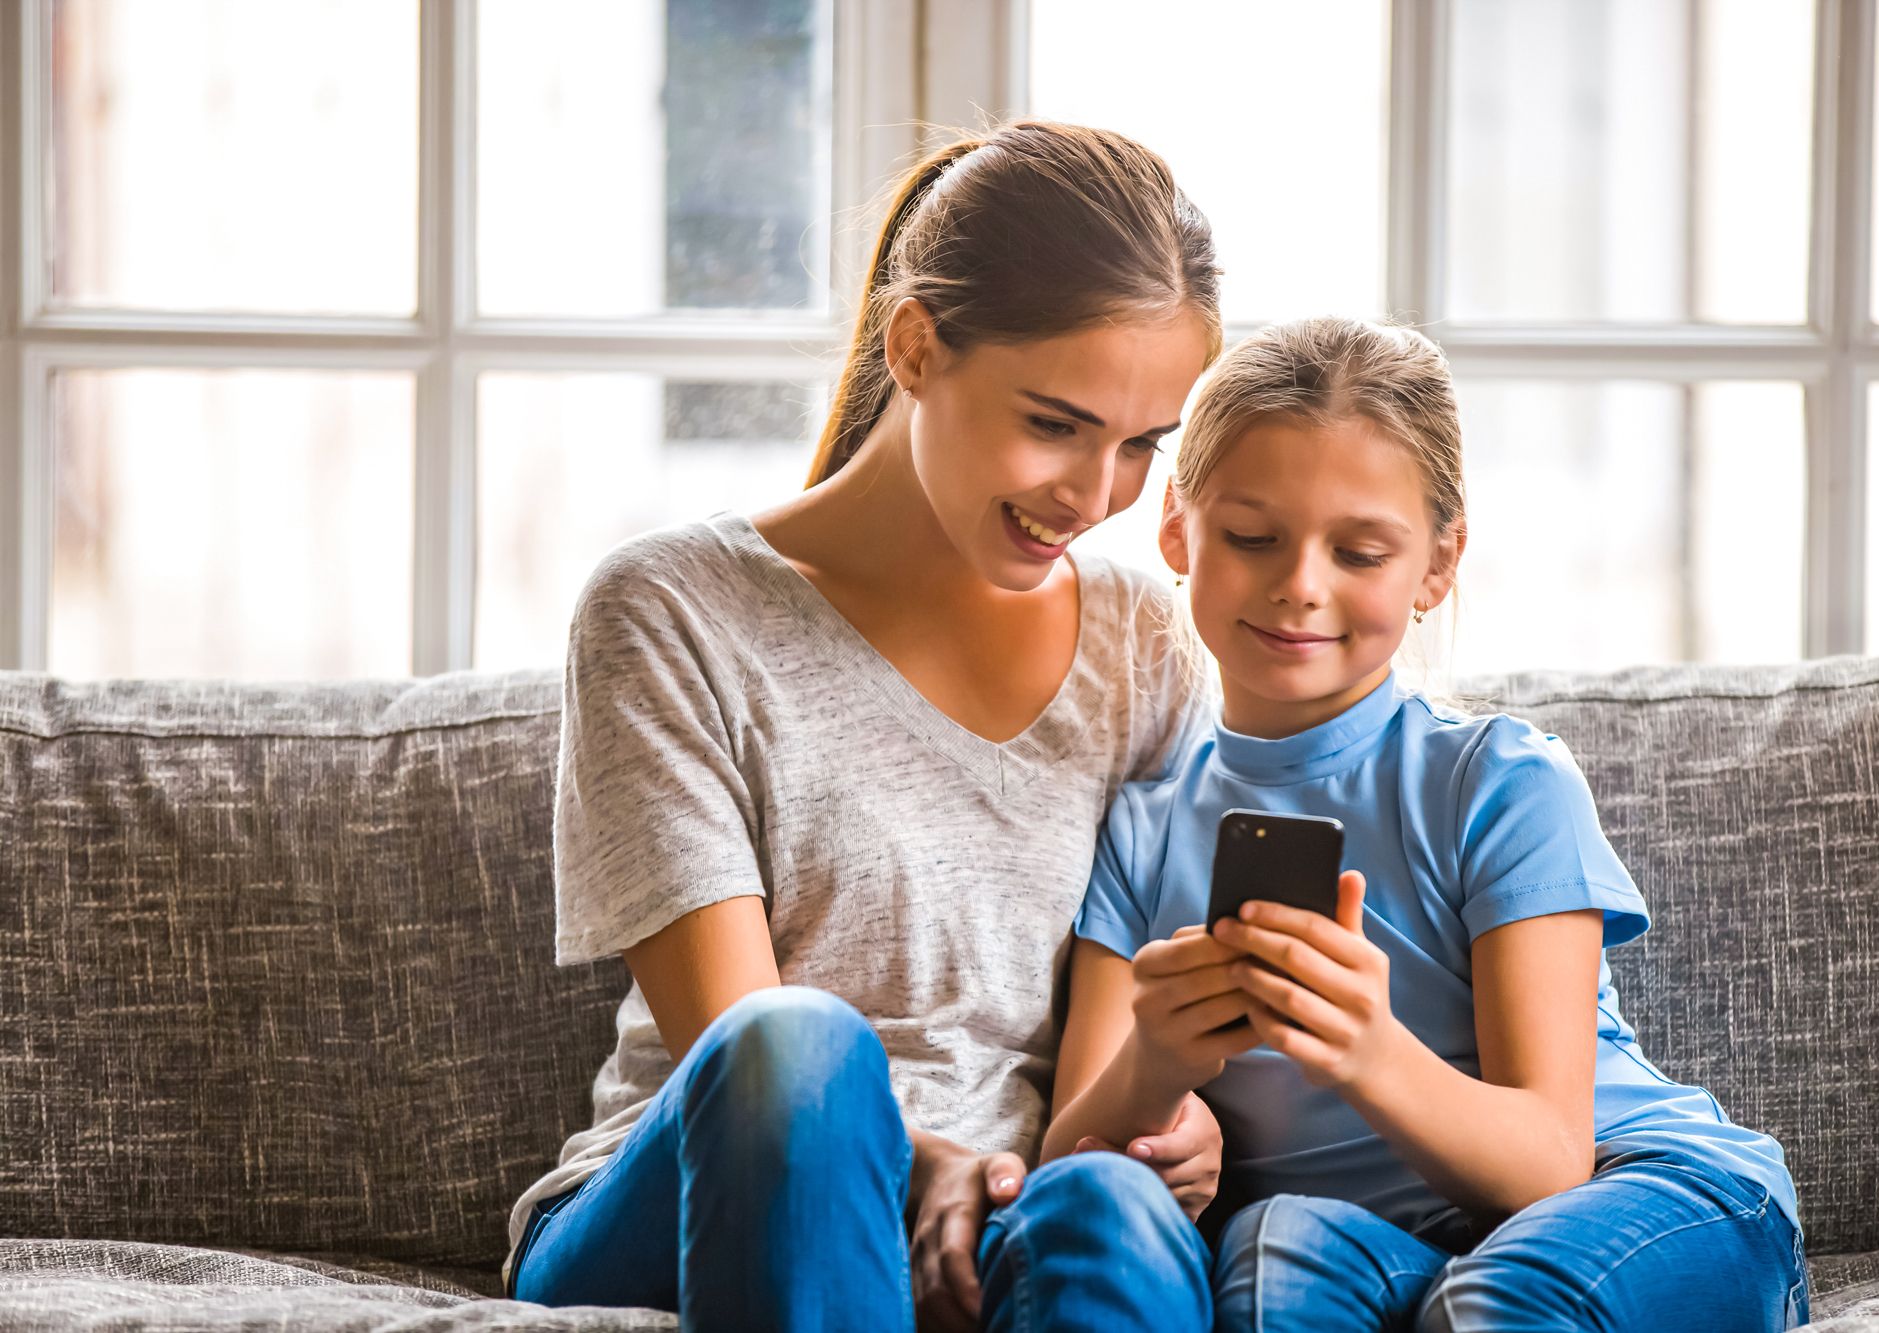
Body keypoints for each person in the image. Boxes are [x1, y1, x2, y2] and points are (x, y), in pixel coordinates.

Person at [501, 120, 1229, 1332]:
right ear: (915, 346)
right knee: (800, 1048)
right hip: (701, 1199)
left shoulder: (1143, 646)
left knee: (1110, 1205)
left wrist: (1167, 1118)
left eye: (1139, 446)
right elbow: (737, 1047)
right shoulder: (673, 611)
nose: (1095, 497)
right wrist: (916, 1161)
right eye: (1054, 423)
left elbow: (1109, 1052)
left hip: (1010, 1209)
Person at [1045, 315, 1811, 1331]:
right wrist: (1154, 1063)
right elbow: (1066, 1170)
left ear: (1435, 564)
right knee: (1268, 1254)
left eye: (1358, 550)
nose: (1299, 584)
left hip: (1635, 1191)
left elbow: (1547, 1157)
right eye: (1251, 536)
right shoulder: (1142, 831)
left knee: (1496, 1298)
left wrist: (1366, 1049)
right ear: (1176, 528)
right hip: (1386, 1244)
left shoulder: (1497, 782)